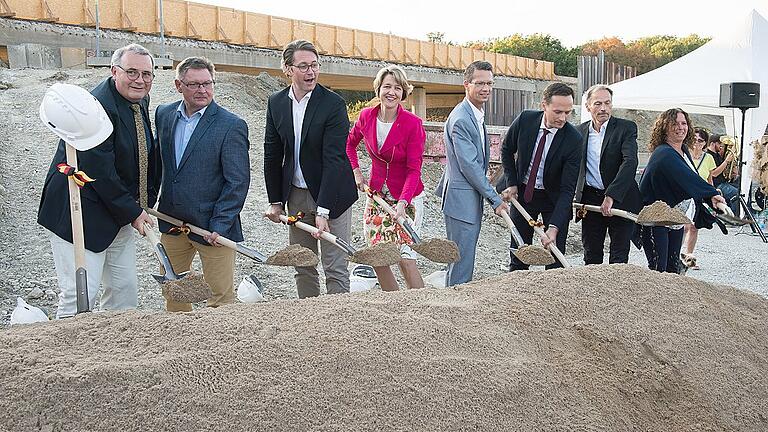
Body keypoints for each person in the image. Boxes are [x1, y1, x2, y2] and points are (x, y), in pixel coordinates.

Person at [37, 43, 160, 318]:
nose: (139, 80)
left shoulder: (138, 99)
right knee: (81, 295)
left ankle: (114, 351)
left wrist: (141, 203)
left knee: (124, 290)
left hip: (119, 211)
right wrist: (133, 210)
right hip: (81, 213)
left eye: (146, 74)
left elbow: (138, 152)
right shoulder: (93, 109)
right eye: (131, 72)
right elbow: (100, 171)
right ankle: (68, 354)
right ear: (114, 71)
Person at [154, 56, 250, 312]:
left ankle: (219, 349)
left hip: (213, 229)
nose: (202, 90)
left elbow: (237, 183)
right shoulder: (164, 114)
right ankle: (181, 347)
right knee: (174, 292)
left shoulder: (231, 126)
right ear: (178, 85)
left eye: (207, 83)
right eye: (194, 84)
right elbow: (158, 164)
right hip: (172, 223)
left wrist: (220, 224)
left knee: (220, 299)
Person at [263, 39, 357, 298]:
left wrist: (324, 210)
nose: (311, 72)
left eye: (315, 65)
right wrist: (275, 201)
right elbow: (272, 154)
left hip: (333, 193)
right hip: (295, 194)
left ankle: (338, 324)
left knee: (335, 265)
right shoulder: (276, 102)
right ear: (287, 69)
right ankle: (310, 324)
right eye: (303, 66)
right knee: (303, 264)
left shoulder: (333, 104)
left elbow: (335, 159)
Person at [346, 65, 425, 291]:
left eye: (397, 88)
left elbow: (414, 170)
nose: (391, 92)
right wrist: (357, 172)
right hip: (377, 195)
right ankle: (395, 304)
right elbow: (349, 145)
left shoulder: (412, 124)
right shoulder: (366, 116)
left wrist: (402, 202)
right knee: (378, 257)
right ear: (378, 89)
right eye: (387, 86)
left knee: (405, 259)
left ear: (403, 93)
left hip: (407, 199)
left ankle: (422, 308)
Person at [435, 61, 509, 286]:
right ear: (466, 84)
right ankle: (455, 309)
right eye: (480, 83)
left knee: (461, 259)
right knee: (461, 262)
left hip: (465, 197)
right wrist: (495, 199)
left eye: (489, 83)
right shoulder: (461, 120)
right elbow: (470, 166)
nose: (486, 88)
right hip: (461, 200)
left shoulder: (475, 113)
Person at [497, 82, 582, 270]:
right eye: (558, 112)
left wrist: (554, 227)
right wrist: (512, 183)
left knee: (555, 259)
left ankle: (552, 296)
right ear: (544, 105)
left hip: (554, 199)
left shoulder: (574, 139)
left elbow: (568, 190)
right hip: (524, 195)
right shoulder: (525, 120)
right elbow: (506, 150)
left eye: (568, 113)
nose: (563, 118)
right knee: (520, 252)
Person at [639, 109, 726, 273]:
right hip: (655, 221)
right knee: (659, 269)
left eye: (683, 123)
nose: (680, 127)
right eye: (675, 123)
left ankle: (672, 298)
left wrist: (709, 197)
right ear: (664, 127)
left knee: (673, 268)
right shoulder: (663, 153)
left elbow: (688, 181)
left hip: (674, 219)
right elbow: (685, 176)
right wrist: (711, 192)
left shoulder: (684, 151)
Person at [575, 85, 640, 265]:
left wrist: (611, 195)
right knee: (591, 253)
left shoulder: (626, 128)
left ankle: (616, 291)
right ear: (588, 106)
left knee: (619, 255)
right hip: (590, 200)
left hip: (621, 198)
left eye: (607, 103)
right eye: (597, 103)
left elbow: (630, 162)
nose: (603, 108)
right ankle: (593, 291)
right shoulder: (578, 132)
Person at [681, 127, 716, 269]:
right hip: (683, 194)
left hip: (698, 196)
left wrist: (713, 194)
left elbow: (709, 179)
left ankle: (689, 256)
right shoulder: (683, 155)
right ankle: (677, 255)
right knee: (682, 226)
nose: (696, 143)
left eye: (700, 140)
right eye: (694, 139)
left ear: (705, 143)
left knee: (694, 227)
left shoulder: (708, 158)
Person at [706, 134, 738, 213]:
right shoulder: (708, 155)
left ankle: (748, 210)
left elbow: (722, 169)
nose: (721, 146)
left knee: (743, 186)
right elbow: (714, 173)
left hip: (723, 182)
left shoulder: (717, 155)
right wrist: (726, 161)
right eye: (719, 144)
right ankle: (734, 215)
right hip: (717, 184)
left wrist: (732, 172)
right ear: (713, 144)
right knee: (737, 193)